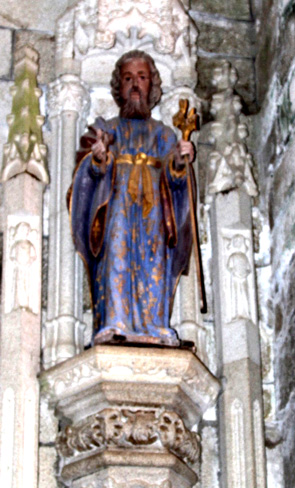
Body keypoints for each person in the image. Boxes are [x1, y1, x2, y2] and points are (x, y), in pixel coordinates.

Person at [68, 50, 195, 346]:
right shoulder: (108, 129)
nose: (135, 85)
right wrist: (98, 158)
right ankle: (115, 320)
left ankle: (155, 324)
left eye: (141, 77)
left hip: (154, 208)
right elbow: (85, 175)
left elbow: (178, 181)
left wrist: (178, 162)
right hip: (118, 205)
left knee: (154, 259)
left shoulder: (163, 134)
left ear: (152, 85)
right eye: (128, 79)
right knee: (117, 252)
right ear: (118, 87)